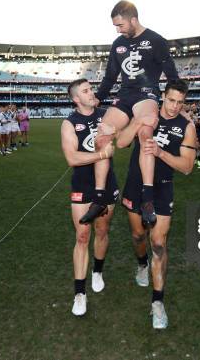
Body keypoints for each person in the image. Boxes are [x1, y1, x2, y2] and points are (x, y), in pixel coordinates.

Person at [82, 0, 179, 228]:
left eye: (120, 24)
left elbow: (172, 75)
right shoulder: (117, 44)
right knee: (101, 138)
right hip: (125, 95)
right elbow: (110, 77)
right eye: (116, 26)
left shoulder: (156, 40)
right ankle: (99, 198)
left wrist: (177, 103)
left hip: (147, 94)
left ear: (133, 19)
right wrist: (98, 97)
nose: (118, 29)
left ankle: (147, 199)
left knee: (145, 135)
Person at [117, 79, 196, 329]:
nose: (174, 106)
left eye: (180, 102)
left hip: (162, 187)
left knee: (159, 244)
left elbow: (187, 167)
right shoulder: (147, 112)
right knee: (138, 236)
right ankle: (142, 264)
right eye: (171, 100)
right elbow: (121, 142)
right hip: (135, 183)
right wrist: (138, 122)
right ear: (163, 96)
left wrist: (161, 153)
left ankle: (158, 303)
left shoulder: (186, 126)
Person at [61, 79, 118, 316]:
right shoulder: (69, 123)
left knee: (102, 231)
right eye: (85, 91)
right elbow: (72, 159)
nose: (91, 92)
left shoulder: (107, 114)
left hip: (107, 184)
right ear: (76, 99)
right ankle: (79, 293)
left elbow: (123, 139)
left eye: (90, 88)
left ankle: (97, 271)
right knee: (82, 236)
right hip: (81, 185)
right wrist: (101, 154)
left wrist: (115, 132)